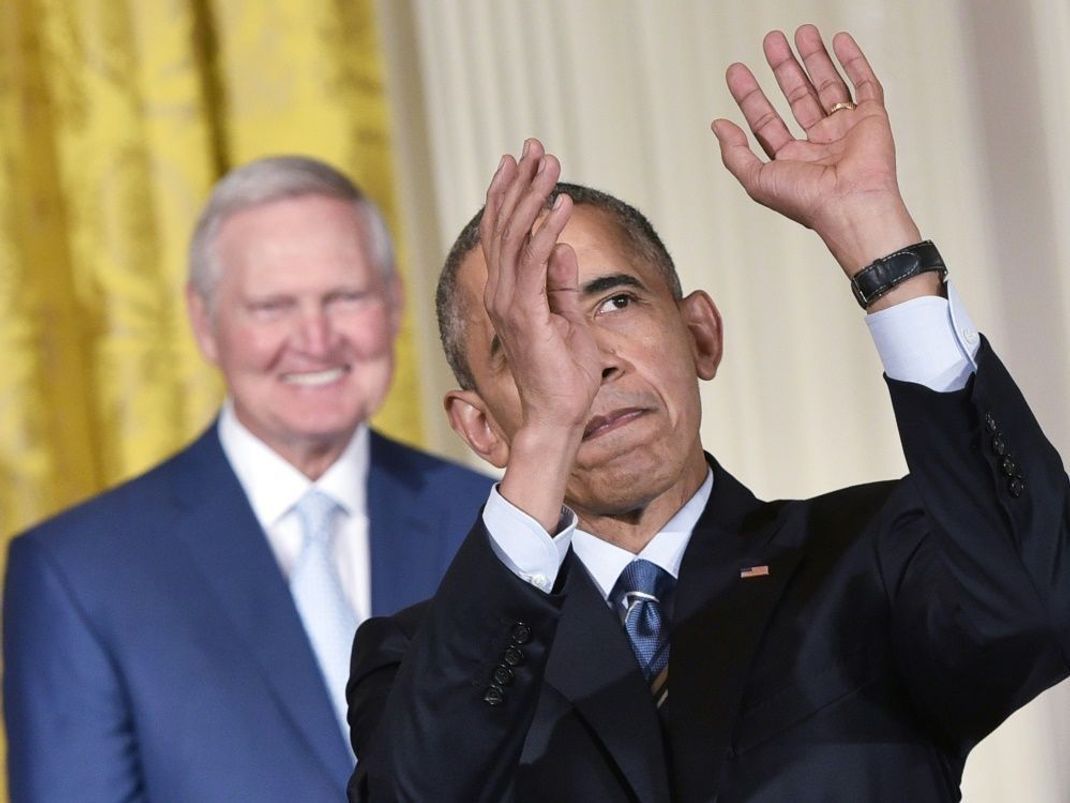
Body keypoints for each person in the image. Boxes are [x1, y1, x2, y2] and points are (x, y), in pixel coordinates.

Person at [345, 26, 1070, 802]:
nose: (587, 360)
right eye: (524, 340)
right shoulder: (414, 658)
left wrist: (880, 247)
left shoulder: (875, 556)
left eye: (615, 301)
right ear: (483, 427)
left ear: (700, 333)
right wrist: (550, 430)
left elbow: (1038, 605)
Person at [3, 155, 493, 802]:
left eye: (345, 297)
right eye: (272, 306)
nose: (315, 339)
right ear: (204, 322)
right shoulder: (79, 573)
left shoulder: (492, 521)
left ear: (396, 302)